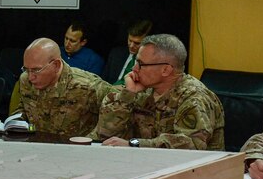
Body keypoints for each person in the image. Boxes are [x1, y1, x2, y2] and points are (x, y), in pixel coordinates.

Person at [95, 33, 225, 150]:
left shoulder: (194, 97)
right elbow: (105, 136)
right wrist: (127, 95)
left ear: (166, 70)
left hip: (195, 173)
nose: (134, 68)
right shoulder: (142, 90)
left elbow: (191, 146)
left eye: (141, 64)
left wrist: (135, 144)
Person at [14, 37, 111, 137]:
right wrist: (14, 124)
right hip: (36, 148)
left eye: (36, 70)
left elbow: (120, 109)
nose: (30, 77)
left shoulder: (88, 86)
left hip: (74, 150)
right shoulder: (25, 79)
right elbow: (25, 108)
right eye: (26, 69)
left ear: (56, 65)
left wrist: (93, 140)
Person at [105, 19, 153, 85]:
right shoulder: (116, 54)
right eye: (130, 40)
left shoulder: (153, 64)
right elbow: (103, 80)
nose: (131, 46)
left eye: (137, 43)